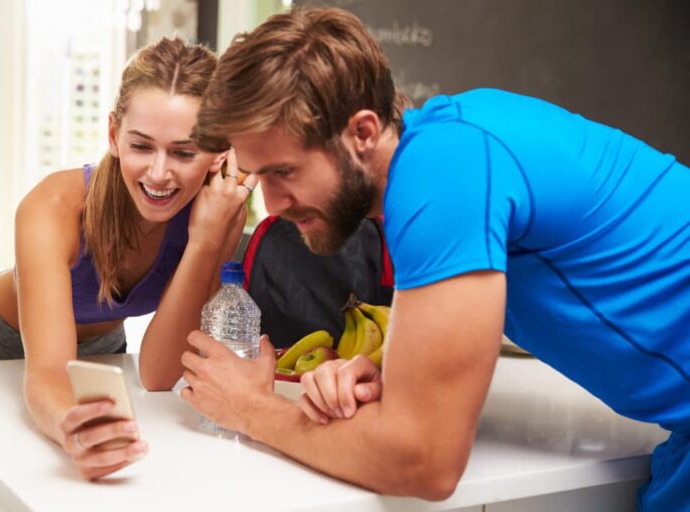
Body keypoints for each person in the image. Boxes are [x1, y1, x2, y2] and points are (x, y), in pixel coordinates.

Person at [179, 7, 690, 510]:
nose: (271, 203)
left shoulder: (443, 173)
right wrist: (396, 385)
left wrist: (253, 409)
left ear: (361, 133)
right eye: (258, 176)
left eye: (284, 172)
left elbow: (425, 462)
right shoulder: (444, 150)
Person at [0, 37, 258, 480]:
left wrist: (205, 241)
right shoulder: (52, 207)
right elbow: (47, 371)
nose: (159, 173)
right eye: (142, 146)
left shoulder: (215, 215)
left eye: (184, 152)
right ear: (113, 134)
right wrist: (75, 434)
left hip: (101, 356)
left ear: (218, 154)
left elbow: (159, 375)